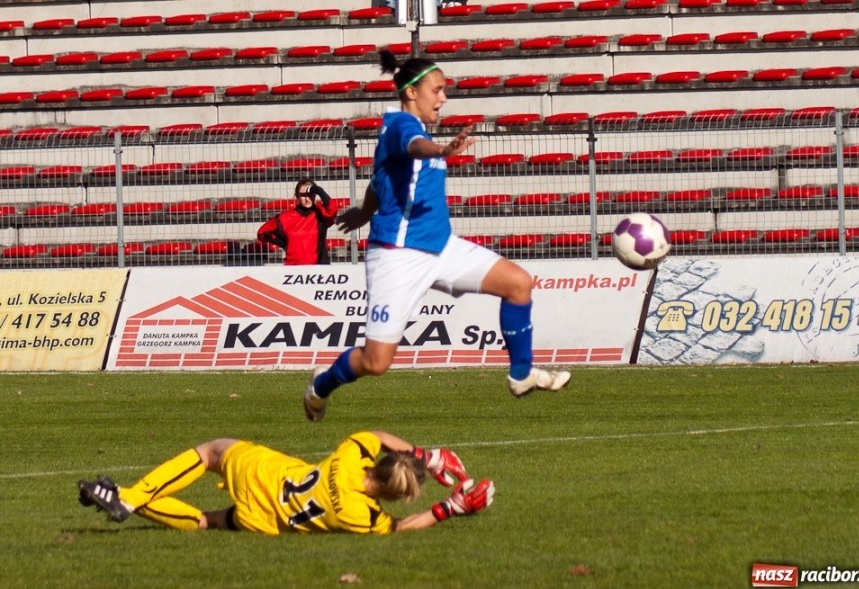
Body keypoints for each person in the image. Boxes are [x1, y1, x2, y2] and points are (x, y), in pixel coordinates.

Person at [303, 49, 570, 422]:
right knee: (375, 362)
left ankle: (521, 374)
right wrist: (442, 149)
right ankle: (321, 385)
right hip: (398, 256)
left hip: (442, 247)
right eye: (438, 90)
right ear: (412, 92)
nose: (443, 98)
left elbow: (381, 183)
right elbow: (416, 147)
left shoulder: (414, 132)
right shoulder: (401, 127)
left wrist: (365, 209)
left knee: (518, 283)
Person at [77, 430, 494, 535]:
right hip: (268, 520)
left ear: (378, 467)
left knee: (210, 452)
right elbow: (402, 527)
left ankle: (127, 498)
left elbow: (378, 434)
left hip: (263, 473)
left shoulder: (349, 457)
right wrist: (450, 508)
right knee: (208, 521)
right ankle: (121, 499)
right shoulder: (361, 515)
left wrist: (428, 456)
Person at [257, 177, 338, 265]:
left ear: (315, 195)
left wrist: (320, 191)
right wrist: (284, 243)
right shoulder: (285, 217)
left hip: (318, 268)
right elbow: (262, 233)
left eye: (310, 194)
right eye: (303, 195)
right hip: (293, 269)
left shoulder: (321, 215)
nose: (307, 199)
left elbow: (332, 209)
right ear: (297, 196)